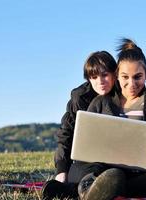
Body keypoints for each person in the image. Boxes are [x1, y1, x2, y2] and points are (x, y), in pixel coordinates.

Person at [73, 38, 146, 200]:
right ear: (117, 75)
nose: (131, 84)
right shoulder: (102, 101)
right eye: (125, 77)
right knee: (104, 173)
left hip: (137, 171)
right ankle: (96, 187)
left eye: (137, 77)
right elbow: (87, 141)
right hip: (101, 168)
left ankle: (103, 190)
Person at [42, 50, 117, 200]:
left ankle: (75, 190)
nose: (100, 81)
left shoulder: (125, 92)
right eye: (94, 77)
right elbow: (66, 133)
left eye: (105, 75)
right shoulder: (80, 97)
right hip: (88, 161)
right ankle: (79, 189)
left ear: (115, 73)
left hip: (117, 159)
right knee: (89, 173)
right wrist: (62, 170)